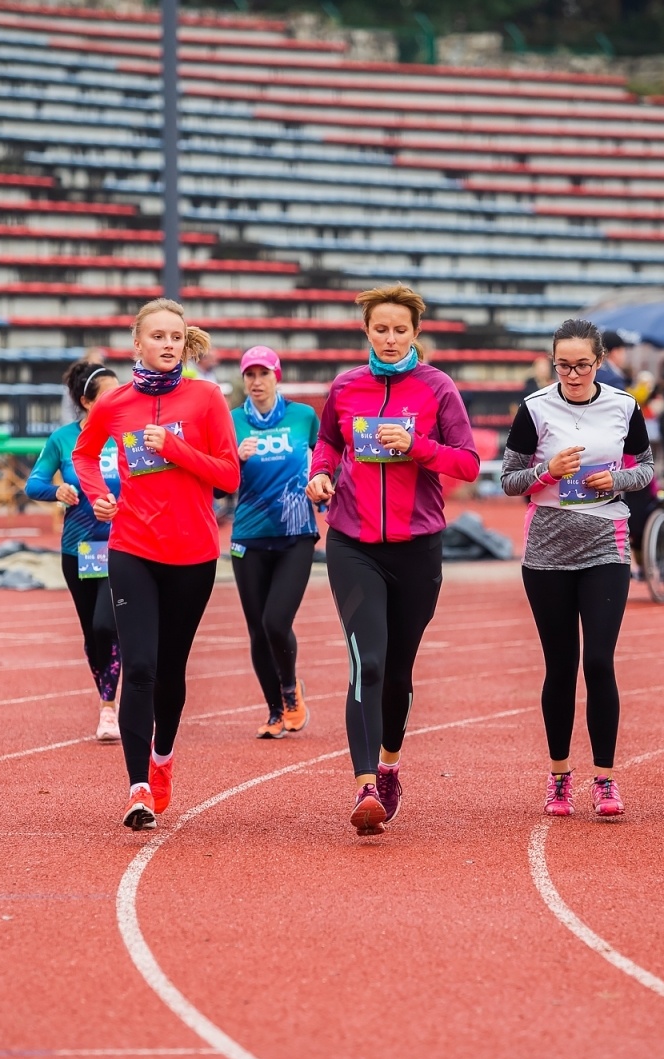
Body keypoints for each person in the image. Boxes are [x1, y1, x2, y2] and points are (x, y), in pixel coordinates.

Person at [306, 284, 479, 836]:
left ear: (415, 333)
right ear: (366, 331)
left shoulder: (438, 389)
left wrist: (417, 448)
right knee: (369, 662)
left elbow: (470, 464)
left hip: (417, 548)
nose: (389, 337)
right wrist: (321, 474)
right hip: (352, 543)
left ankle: (388, 764)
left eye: (399, 329)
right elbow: (329, 443)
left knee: (399, 670)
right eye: (380, 328)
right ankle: (363, 785)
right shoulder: (346, 386)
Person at [73, 300, 240, 830]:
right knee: (140, 667)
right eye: (158, 337)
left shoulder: (207, 397)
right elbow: (82, 454)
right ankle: (137, 787)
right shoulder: (115, 403)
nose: (168, 345)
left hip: (193, 553)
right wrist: (99, 494)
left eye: (176, 336)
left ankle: (162, 759)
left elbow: (230, 476)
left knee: (170, 670)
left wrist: (174, 448)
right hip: (132, 549)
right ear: (137, 344)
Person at [501, 319, 652, 817]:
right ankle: (560, 775)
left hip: (606, 542)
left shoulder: (624, 406)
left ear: (600, 360)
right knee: (561, 666)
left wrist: (617, 478)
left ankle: (605, 780)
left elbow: (648, 468)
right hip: (547, 549)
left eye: (582, 364)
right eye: (563, 364)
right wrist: (548, 471)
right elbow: (508, 479)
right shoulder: (535, 407)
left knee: (600, 662)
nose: (572, 373)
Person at [26, 361, 123, 743]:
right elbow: (34, 484)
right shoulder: (64, 440)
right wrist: (58, 491)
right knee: (92, 633)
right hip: (79, 548)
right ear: (86, 402)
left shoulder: (128, 435)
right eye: (110, 395)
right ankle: (107, 696)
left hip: (123, 544)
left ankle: (109, 708)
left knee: (106, 624)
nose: (119, 400)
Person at [229, 345, 318, 739]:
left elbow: (327, 457)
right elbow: (217, 485)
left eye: (263, 374)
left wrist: (325, 485)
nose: (257, 382)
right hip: (248, 535)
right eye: (250, 375)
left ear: (276, 376)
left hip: (296, 531)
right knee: (256, 629)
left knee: (275, 621)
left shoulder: (304, 417)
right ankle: (274, 711)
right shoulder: (231, 422)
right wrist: (234, 458)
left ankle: (290, 691)